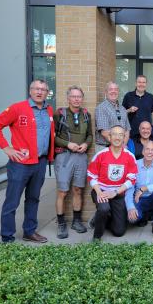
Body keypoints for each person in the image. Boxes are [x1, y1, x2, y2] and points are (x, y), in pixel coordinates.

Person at [0, 79, 54, 243]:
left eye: (43, 90)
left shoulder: (49, 110)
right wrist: (6, 148)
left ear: (47, 93)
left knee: (33, 198)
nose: (40, 92)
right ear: (30, 91)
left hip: (40, 163)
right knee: (12, 201)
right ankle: (7, 236)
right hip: (20, 164)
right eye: (36, 89)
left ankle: (29, 231)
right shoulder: (17, 108)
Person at [53, 86, 93, 239]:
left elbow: (90, 135)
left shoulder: (86, 115)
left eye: (79, 97)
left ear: (82, 98)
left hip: (81, 157)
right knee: (63, 191)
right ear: (68, 98)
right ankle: (61, 223)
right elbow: (53, 137)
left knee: (78, 189)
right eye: (73, 96)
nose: (76, 99)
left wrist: (86, 145)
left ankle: (77, 221)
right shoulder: (60, 114)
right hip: (64, 156)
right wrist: (67, 144)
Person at [87, 125, 137, 241]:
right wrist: (99, 192)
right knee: (104, 208)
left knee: (119, 232)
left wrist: (115, 192)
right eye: (114, 134)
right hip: (102, 191)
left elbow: (131, 180)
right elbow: (91, 175)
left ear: (124, 138)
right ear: (109, 137)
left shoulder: (130, 156)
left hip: (118, 193)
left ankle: (102, 219)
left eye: (121, 135)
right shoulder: (101, 155)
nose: (117, 137)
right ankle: (97, 236)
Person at [126, 141, 153, 240]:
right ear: (143, 151)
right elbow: (130, 186)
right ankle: (144, 215)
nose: (150, 152)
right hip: (138, 199)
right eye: (147, 149)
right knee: (132, 219)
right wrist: (130, 207)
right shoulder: (135, 164)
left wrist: (144, 188)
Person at [95, 82, 131, 152]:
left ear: (118, 92)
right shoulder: (102, 108)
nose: (113, 91)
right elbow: (104, 132)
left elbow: (127, 130)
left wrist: (123, 145)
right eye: (111, 89)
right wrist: (119, 145)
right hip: (105, 148)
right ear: (106, 92)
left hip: (122, 147)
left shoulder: (122, 108)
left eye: (116, 89)